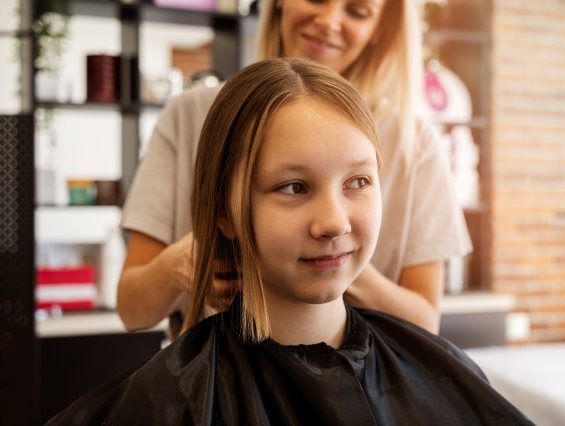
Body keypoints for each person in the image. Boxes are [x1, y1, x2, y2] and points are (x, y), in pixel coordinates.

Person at [47, 58, 530, 425]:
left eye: (358, 182)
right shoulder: (173, 397)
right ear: (225, 214)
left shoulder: (441, 371)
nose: (333, 222)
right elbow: (134, 305)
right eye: (293, 188)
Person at [117, 0, 471, 335]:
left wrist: (339, 259)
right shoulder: (190, 116)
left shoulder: (414, 142)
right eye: (293, 186)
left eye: (358, 11)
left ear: (380, 27)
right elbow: (132, 309)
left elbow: (425, 325)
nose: (330, 22)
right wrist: (188, 261)